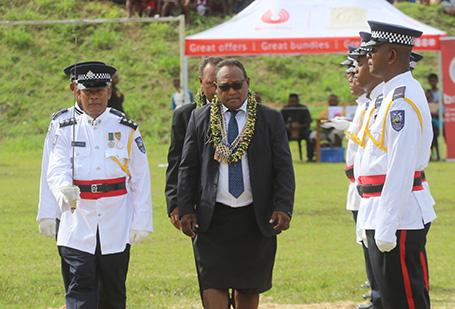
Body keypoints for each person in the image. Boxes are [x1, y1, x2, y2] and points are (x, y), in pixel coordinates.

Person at [178, 59, 295, 308]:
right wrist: (186, 208)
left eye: (237, 85)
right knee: (213, 283)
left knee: (249, 285)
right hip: (213, 218)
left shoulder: (270, 119)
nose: (232, 92)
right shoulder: (200, 118)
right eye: (224, 87)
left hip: (255, 217)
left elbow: (283, 169)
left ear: (247, 84)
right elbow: (188, 167)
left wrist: (283, 207)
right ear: (215, 89)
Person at [47, 62, 153, 308]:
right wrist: (63, 188)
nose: (94, 97)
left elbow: (140, 177)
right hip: (77, 219)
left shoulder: (125, 128)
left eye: (99, 91)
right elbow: (57, 165)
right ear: (77, 92)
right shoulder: (64, 128)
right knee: (80, 290)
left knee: (113, 291)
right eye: (88, 92)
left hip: (116, 220)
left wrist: (142, 221)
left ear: (109, 91)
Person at [355, 21, 436, 309]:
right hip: (381, 210)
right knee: (391, 299)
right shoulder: (389, 96)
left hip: (398, 216)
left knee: (405, 301)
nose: (368, 57)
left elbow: (400, 167)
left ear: (390, 55)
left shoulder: (402, 100)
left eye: (373, 50)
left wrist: (386, 225)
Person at [37, 61, 105, 294]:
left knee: (107, 281)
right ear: (74, 89)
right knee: (76, 280)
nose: (88, 95)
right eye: (83, 89)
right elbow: (50, 169)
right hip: (70, 214)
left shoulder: (112, 122)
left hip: (108, 213)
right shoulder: (60, 123)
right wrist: (47, 213)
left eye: (98, 89)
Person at [165, 56, 223, 229]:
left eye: (220, 84)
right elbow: (176, 161)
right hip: (199, 200)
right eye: (210, 83)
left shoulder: (245, 114)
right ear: (200, 82)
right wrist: (175, 203)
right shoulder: (185, 115)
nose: (215, 90)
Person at [281, 93, 314, 161]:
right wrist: (290, 126)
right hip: (288, 131)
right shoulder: (285, 109)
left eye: (294, 101)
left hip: (302, 130)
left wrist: (299, 126)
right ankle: (282, 158)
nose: (292, 104)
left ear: (298, 101)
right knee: (279, 136)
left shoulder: (303, 109)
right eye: (291, 102)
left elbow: (308, 122)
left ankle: (310, 157)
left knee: (310, 136)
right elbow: (280, 123)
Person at [425, 73, 441, 161]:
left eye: (434, 80)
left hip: (439, 119)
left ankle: (438, 155)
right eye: (431, 80)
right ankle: (431, 156)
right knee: (431, 138)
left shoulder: (440, 92)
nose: (433, 82)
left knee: (437, 138)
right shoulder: (428, 93)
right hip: (431, 118)